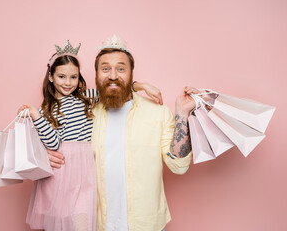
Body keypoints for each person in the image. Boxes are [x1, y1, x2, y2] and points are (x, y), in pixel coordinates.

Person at [49, 35, 198, 231]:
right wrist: (45, 156)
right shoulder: (84, 112)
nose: (112, 75)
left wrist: (182, 115)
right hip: (95, 224)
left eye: (121, 69)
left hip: (145, 225)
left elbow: (179, 166)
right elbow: (60, 148)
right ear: (95, 75)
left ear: (130, 73)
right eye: (105, 69)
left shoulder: (158, 113)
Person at [18, 40, 164, 231]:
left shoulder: (86, 98)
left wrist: (142, 86)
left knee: (82, 222)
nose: (68, 82)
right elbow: (53, 143)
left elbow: (114, 86)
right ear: (51, 77)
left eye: (74, 77)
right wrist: (36, 116)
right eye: (62, 76)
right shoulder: (47, 110)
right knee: (60, 222)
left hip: (85, 171)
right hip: (61, 173)